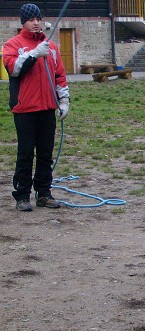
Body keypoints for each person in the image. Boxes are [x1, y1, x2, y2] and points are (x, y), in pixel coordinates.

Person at [3, 3, 70, 211]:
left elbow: (59, 75)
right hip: (25, 109)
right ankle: (22, 196)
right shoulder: (12, 45)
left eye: (38, 19)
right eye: (31, 19)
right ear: (24, 22)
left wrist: (64, 100)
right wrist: (33, 54)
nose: (36, 23)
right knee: (25, 154)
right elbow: (13, 69)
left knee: (45, 154)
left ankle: (44, 193)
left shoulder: (52, 47)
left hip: (47, 108)